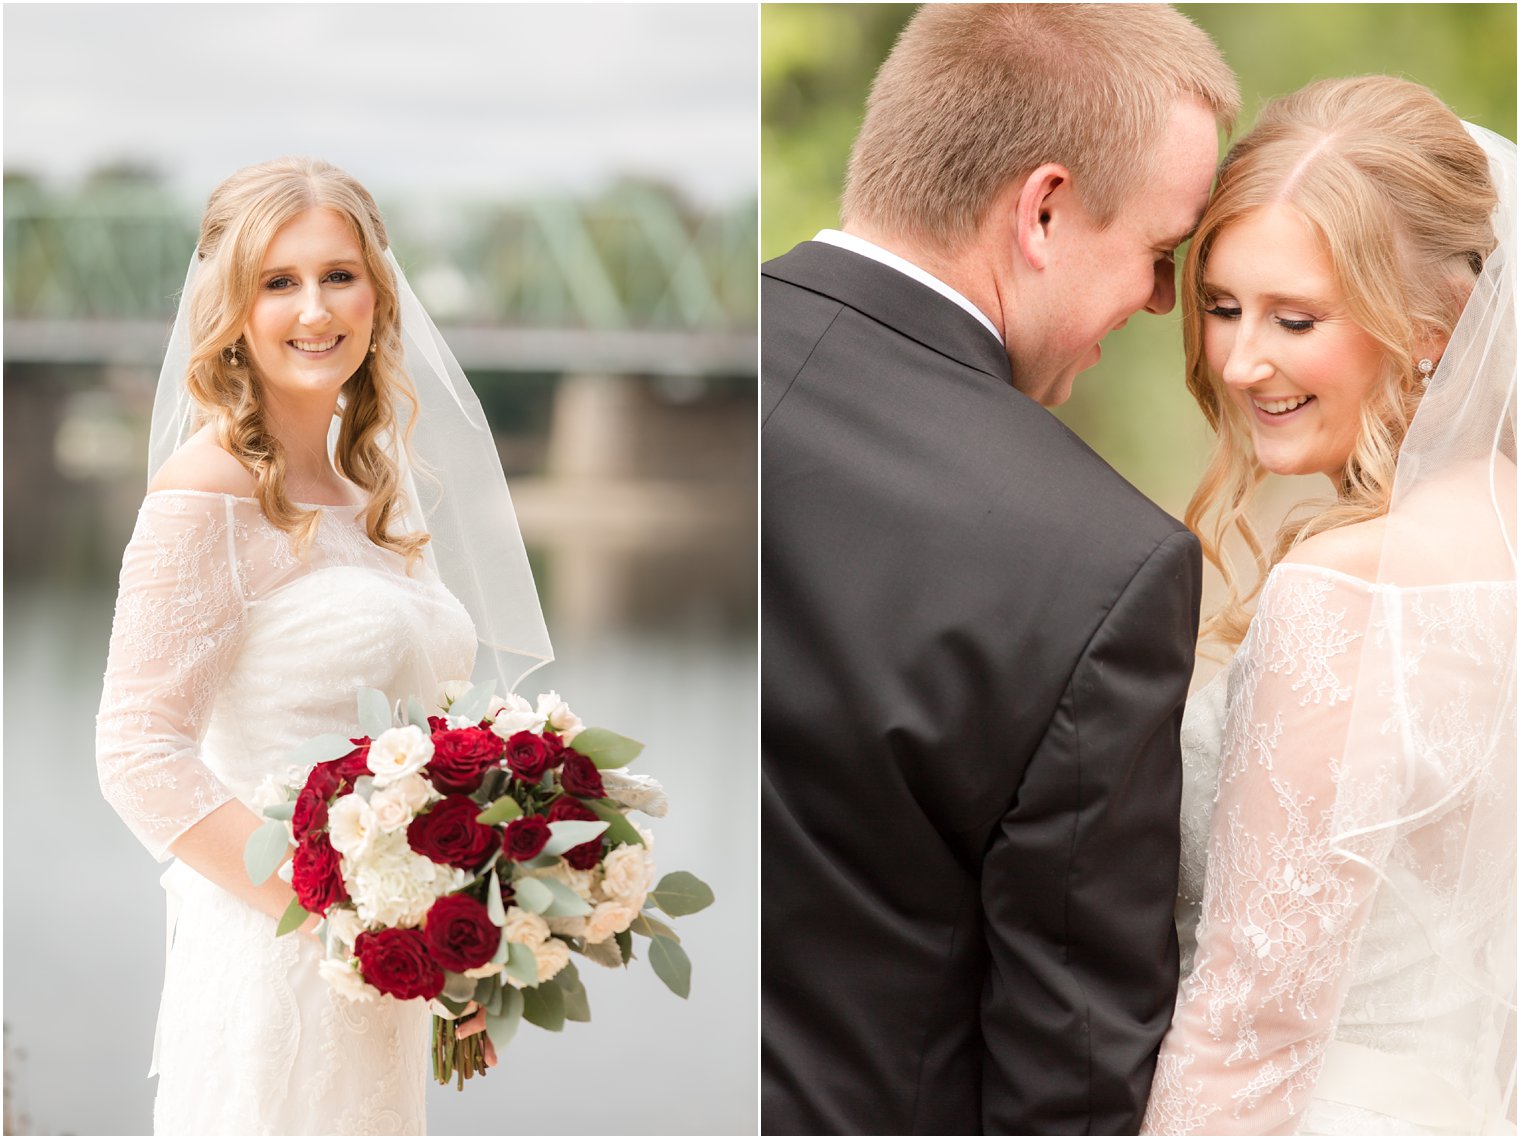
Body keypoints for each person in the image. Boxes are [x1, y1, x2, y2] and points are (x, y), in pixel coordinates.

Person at [762, 6, 1239, 1133]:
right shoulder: (1099, 563)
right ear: (1041, 211)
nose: (1161, 304)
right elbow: (1067, 1084)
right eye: (1160, 255)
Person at [95, 157, 552, 1134]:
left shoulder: (372, 482)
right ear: (233, 303)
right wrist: (345, 914)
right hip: (277, 957)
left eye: (339, 274)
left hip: (378, 976)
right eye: (279, 280)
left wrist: (455, 918)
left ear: (379, 293)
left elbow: (417, 742)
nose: (315, 307)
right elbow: (137, 752)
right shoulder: (207, 489)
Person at [1141, 77, 1515, 1135]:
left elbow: (1248, 1027)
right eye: (1220, 305)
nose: (1239, 358)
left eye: (1292, 317)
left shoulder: (1345, 592)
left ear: (1431, 325)